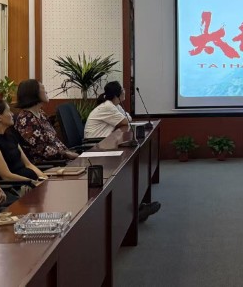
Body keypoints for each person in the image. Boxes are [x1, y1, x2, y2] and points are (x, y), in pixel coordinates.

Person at [84, 81, 160, 221]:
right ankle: (133, 211)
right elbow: (125, 121)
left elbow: (128, 118)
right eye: (122, 89)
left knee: (127, 168)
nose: (125, 91)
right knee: (124, 172)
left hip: (106, 144)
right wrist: (125, 118)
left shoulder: (114, 105)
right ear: (117, 94)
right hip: (97, 146)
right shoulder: (107, 107)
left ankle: (135, 208)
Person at [0, 99, 47, 182]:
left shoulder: (10, 135)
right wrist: (33, 182)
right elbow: (6, 176)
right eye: (8, 111)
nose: (12, 114)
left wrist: (45, 179)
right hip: (19, 185)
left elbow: (28, 165)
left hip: (32, 181)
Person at [14, 79, 78, 164]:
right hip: (49, 164)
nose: (46, 92)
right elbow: (42, 150)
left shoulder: (41, 114)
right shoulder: (26, 120)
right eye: (43, 88)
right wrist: (66, 154)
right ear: (34, 93)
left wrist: (69, 152)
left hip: (62, 159)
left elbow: (54, 140)